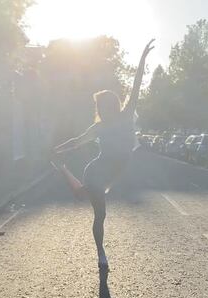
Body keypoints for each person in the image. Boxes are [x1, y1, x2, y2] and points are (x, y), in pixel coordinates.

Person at [51, 39, 155, 271]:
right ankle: (101, 254)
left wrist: (142, 59)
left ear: (114, 105)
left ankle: (63, 170)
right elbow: (77, 141)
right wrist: (57, 149)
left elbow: (136, 87)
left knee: (82, 196)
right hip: (98, 171)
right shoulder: (99, 127)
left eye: (104, 106)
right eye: (100, 108)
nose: (102, 111)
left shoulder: (126, 115)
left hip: (116, 171)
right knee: (100, 214)